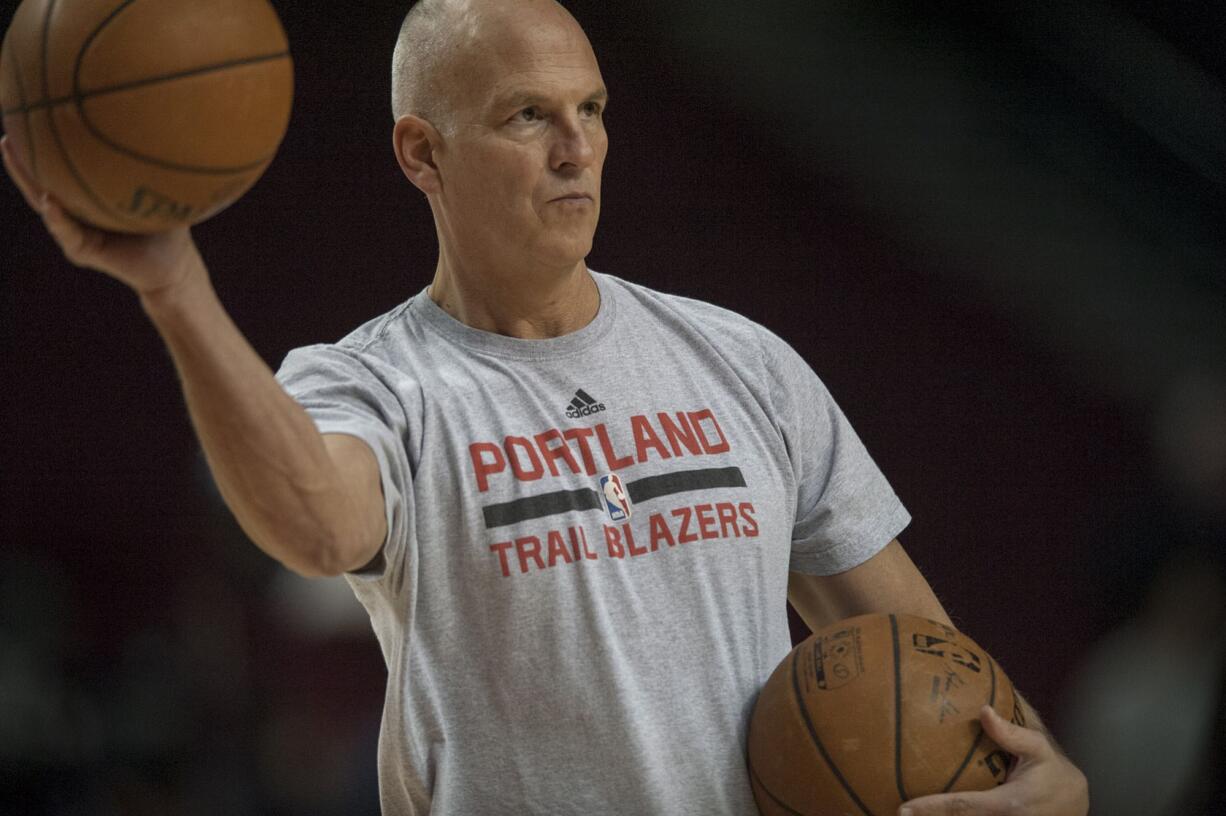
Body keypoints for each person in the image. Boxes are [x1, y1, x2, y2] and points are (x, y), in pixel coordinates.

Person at [1, 0, 1089, 813]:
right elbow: (318, 526)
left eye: (590, 110)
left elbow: (921, 661)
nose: (577, 150)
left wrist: (1040, 779)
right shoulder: (375, 384)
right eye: (529, 116)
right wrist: (174, 288)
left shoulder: (738, 361)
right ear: (422, 152)